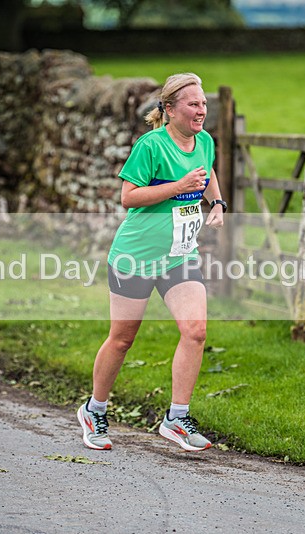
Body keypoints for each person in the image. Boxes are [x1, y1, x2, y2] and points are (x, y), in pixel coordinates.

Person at [77, 73, 227, 452]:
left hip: (179, 255)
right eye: (193, 104)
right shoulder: (152, 146)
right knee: (123, 339)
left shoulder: (204, 140)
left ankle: (177, 418)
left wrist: (218, 202)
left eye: (204, 103)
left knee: (195, 331)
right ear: (170, 109)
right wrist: (177, 188)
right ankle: (94, 410)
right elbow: (129, 197)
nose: (201, 110)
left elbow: (206, 172)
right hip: (137, 256)